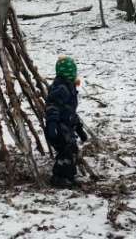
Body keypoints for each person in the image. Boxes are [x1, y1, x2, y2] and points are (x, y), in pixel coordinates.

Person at [44, 56, 88, 189]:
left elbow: (70, 112)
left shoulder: (68, 87)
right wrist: (52, 125)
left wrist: (79, 128)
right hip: (58, 128)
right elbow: (52, 106)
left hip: (66, 128)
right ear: (69, 73)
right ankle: (58, 177)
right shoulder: (61, 88)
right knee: (66, 152)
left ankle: (68, 175)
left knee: (73, 150)